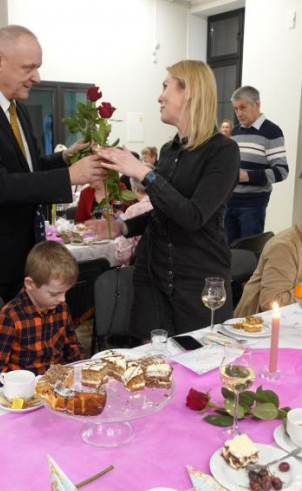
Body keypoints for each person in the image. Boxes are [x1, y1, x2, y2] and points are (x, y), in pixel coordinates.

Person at [0, 25, 106, 301]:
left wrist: (63, 158)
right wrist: (69, 177)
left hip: (19, 256)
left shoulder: (16, 107)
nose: (36, 78)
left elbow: (24, 169)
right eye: (28, 68)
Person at [87, 60, 239, 338]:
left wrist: (143, 173)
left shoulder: (223, 151)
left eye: (166, 86)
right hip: (154, 276)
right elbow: (164, 211)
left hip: (197, 280)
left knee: (197, 365)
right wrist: (123, 227)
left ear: (189, 92)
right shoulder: (170, 150)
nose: (160, 95)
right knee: (153, 365)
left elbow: (192, 217)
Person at [0, 241, 83, 386]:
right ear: (30, 284)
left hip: (58, 385)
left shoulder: (61, 307)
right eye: (55, 293)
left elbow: (71, 346)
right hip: (26, 392)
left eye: (66, 292)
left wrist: (84, 367)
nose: (63, 299)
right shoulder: (10, 318)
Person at [224, 86, 289, 244]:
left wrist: (247, 176)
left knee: (247, 255)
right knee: (227, 255)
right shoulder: (236, 132)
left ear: (257, 104)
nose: (238, 113)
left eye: (243, 107)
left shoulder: (272, 131)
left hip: (252, 206)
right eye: (236, 109)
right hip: (229, 202)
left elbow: (281, 171)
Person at [114, 178, 153, 265]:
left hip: (139, 266)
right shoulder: (168, 205)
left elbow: (123, 255)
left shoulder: (133, 210)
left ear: (136, 190)